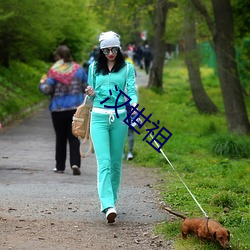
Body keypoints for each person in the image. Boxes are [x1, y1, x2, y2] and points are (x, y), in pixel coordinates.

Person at [85, 31, 138, 223]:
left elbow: (131, 92)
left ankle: (112, 201)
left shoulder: (127, 68)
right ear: (101, 50)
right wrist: (90, 92)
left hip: (119, 118)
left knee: (116, 163)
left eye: (114, 49)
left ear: (119, 48)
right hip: (98, 118)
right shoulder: (93, 68)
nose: (110, 53)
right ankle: (107, 205)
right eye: (106, 50)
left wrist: (133, 107)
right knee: (104, 162)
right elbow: (91, 97)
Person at [39, 45, 88, 175]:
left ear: (58, 57)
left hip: (58, 109)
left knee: (60, 138)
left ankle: (60, 166)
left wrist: (42, 83)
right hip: (75, 109)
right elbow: (86, 87)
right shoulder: (79, 70)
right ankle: (75, 163)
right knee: (74, 137)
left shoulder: (54, 71)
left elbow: (47, 90)